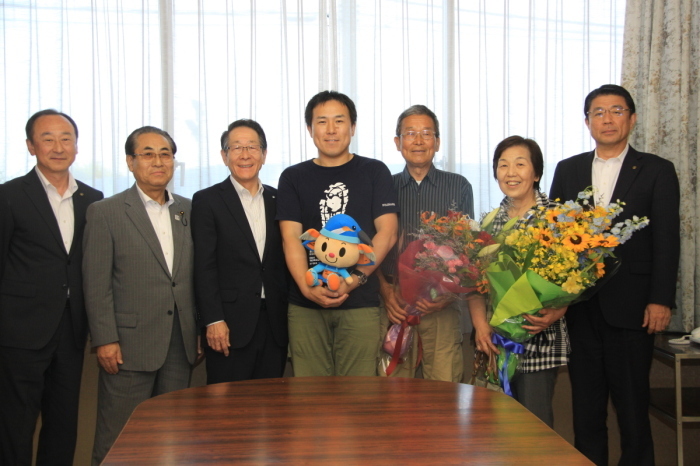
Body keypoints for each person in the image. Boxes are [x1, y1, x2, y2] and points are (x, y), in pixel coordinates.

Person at [549, 84, 680, 465]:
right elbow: (556, 238)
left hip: (634, 307)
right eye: (599, 112)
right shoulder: (568, 169)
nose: (607, 119)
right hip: (581, 307)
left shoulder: (657, 170)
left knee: (632, 408)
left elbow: (667, 240)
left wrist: (660, 299)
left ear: (632, 118)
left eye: (616, 111)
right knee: (586, 408)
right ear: (587, 121)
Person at [84, 126, 200, 465]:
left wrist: (195, 330)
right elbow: (96, 282)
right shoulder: (106, 212)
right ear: (130, 162)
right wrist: (104, 339)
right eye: (148, 154)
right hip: (127, 347)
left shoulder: (189, 211)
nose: (158, 161)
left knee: (172, 438)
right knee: (117, 438)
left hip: (180, 343)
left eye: (165, 154)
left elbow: (192, 278)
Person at [0, 109, 103, 466]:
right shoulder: (9, 195)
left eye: (66, 138)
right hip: (20, 330)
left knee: (63, 423)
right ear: (31, 146)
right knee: (15, 424)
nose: (58, 147)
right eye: (47, 139)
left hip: (72, 330)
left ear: (76, 146)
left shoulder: (93, 199)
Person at [277, 90, 399, 376]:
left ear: (352, 127)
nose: (331, 130)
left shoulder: (374, 171)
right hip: (305, 305)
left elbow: (388, 233)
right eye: (322, 122)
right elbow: (291, 239)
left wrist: (353, 280)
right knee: (309, 395)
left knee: (358, 399)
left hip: (360, 304)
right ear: (310, 129)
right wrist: (307, 288)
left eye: (339, 121)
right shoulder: (293, 177)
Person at [469, 135, 569, 427]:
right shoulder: (487, 222)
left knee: (533, 428)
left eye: (520, 164)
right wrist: (479, 325)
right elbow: (472, 281)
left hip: (537, 336)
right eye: (503, 165)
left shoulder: (558, 220)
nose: (511, 172)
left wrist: (559, 309)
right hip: (493, 340)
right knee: (494, 430)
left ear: (536, 173)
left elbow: (572, 281)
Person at [378, 104, 473, 382]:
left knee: (444, 391)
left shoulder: (459, 186)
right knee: (392, 392)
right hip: (394, 303)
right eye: (410, 133)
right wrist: (385, 293)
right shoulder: (382, 185)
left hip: (440, 302)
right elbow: (369, 249)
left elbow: (468, 250)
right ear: (398, 143)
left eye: (426, 133)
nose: (418, 141)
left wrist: (447, 295)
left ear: (437, 142)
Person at [191, 119, 289, 383]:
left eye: (252, 147)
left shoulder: (279, 200)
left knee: (271, 408)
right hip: (229, 326)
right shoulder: (207, 201)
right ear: (224, 156)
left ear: (264, 154)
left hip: (275, 324)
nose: (245, 155)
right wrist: (212, 320)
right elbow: (204, 266)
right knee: (227, 412)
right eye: (236, 148)